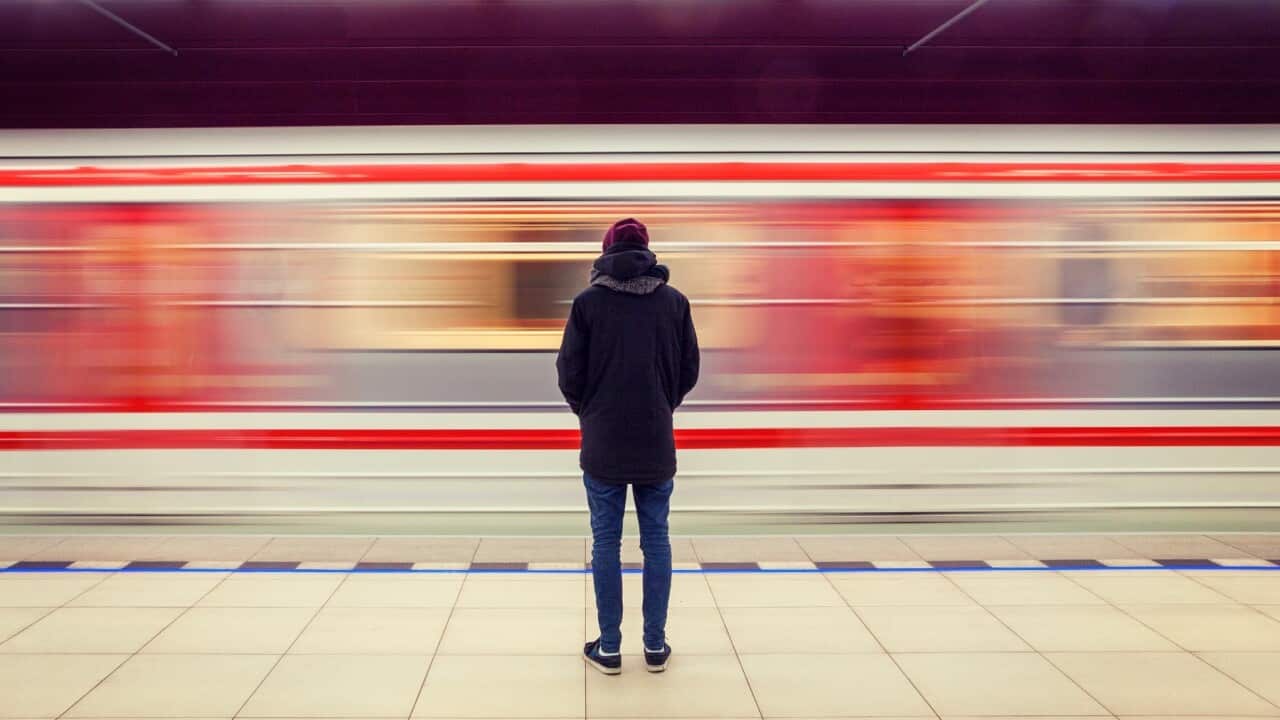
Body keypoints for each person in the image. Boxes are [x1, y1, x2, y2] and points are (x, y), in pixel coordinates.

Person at [556, 218, 699, 675]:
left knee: (606, 543)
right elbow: (689, 369)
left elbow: (568, 372)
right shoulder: (674, 302)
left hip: (603, 441)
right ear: (647, 253)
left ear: (606, 252)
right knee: (657, 540)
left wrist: (590, 411)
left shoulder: (587, 303)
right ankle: (655, 646)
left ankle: (611, 648)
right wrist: (662, 403)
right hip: (656, 436)